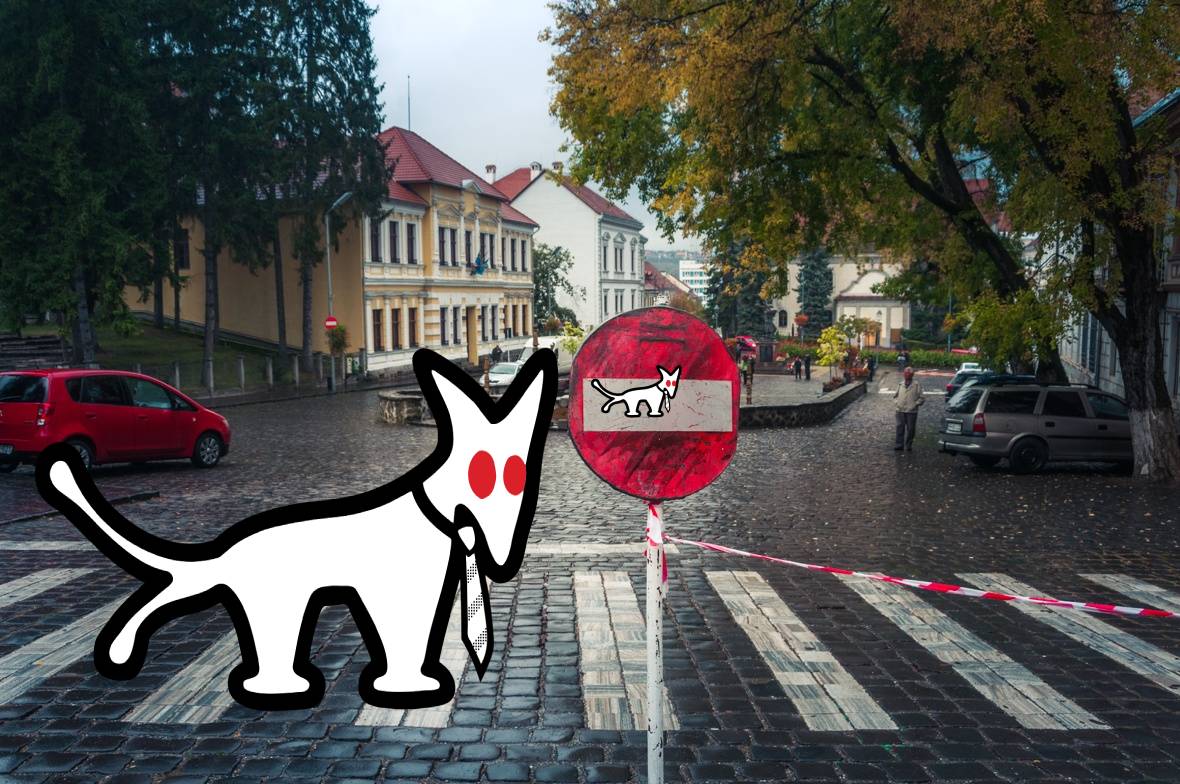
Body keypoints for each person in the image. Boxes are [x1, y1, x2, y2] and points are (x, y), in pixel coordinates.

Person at [893, 366, 923, 451]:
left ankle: (909, 444)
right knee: (899, 427)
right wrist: (897, 403)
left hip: (912, 411)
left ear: (912, 375)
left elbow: (922, 398)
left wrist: (915, 404)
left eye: (909, 374)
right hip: (900, 410)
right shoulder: (900, 384)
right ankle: (899, 444)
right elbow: (895, 396)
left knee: (911, 429)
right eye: (905, 373)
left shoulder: (917, 385)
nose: (907, 375)